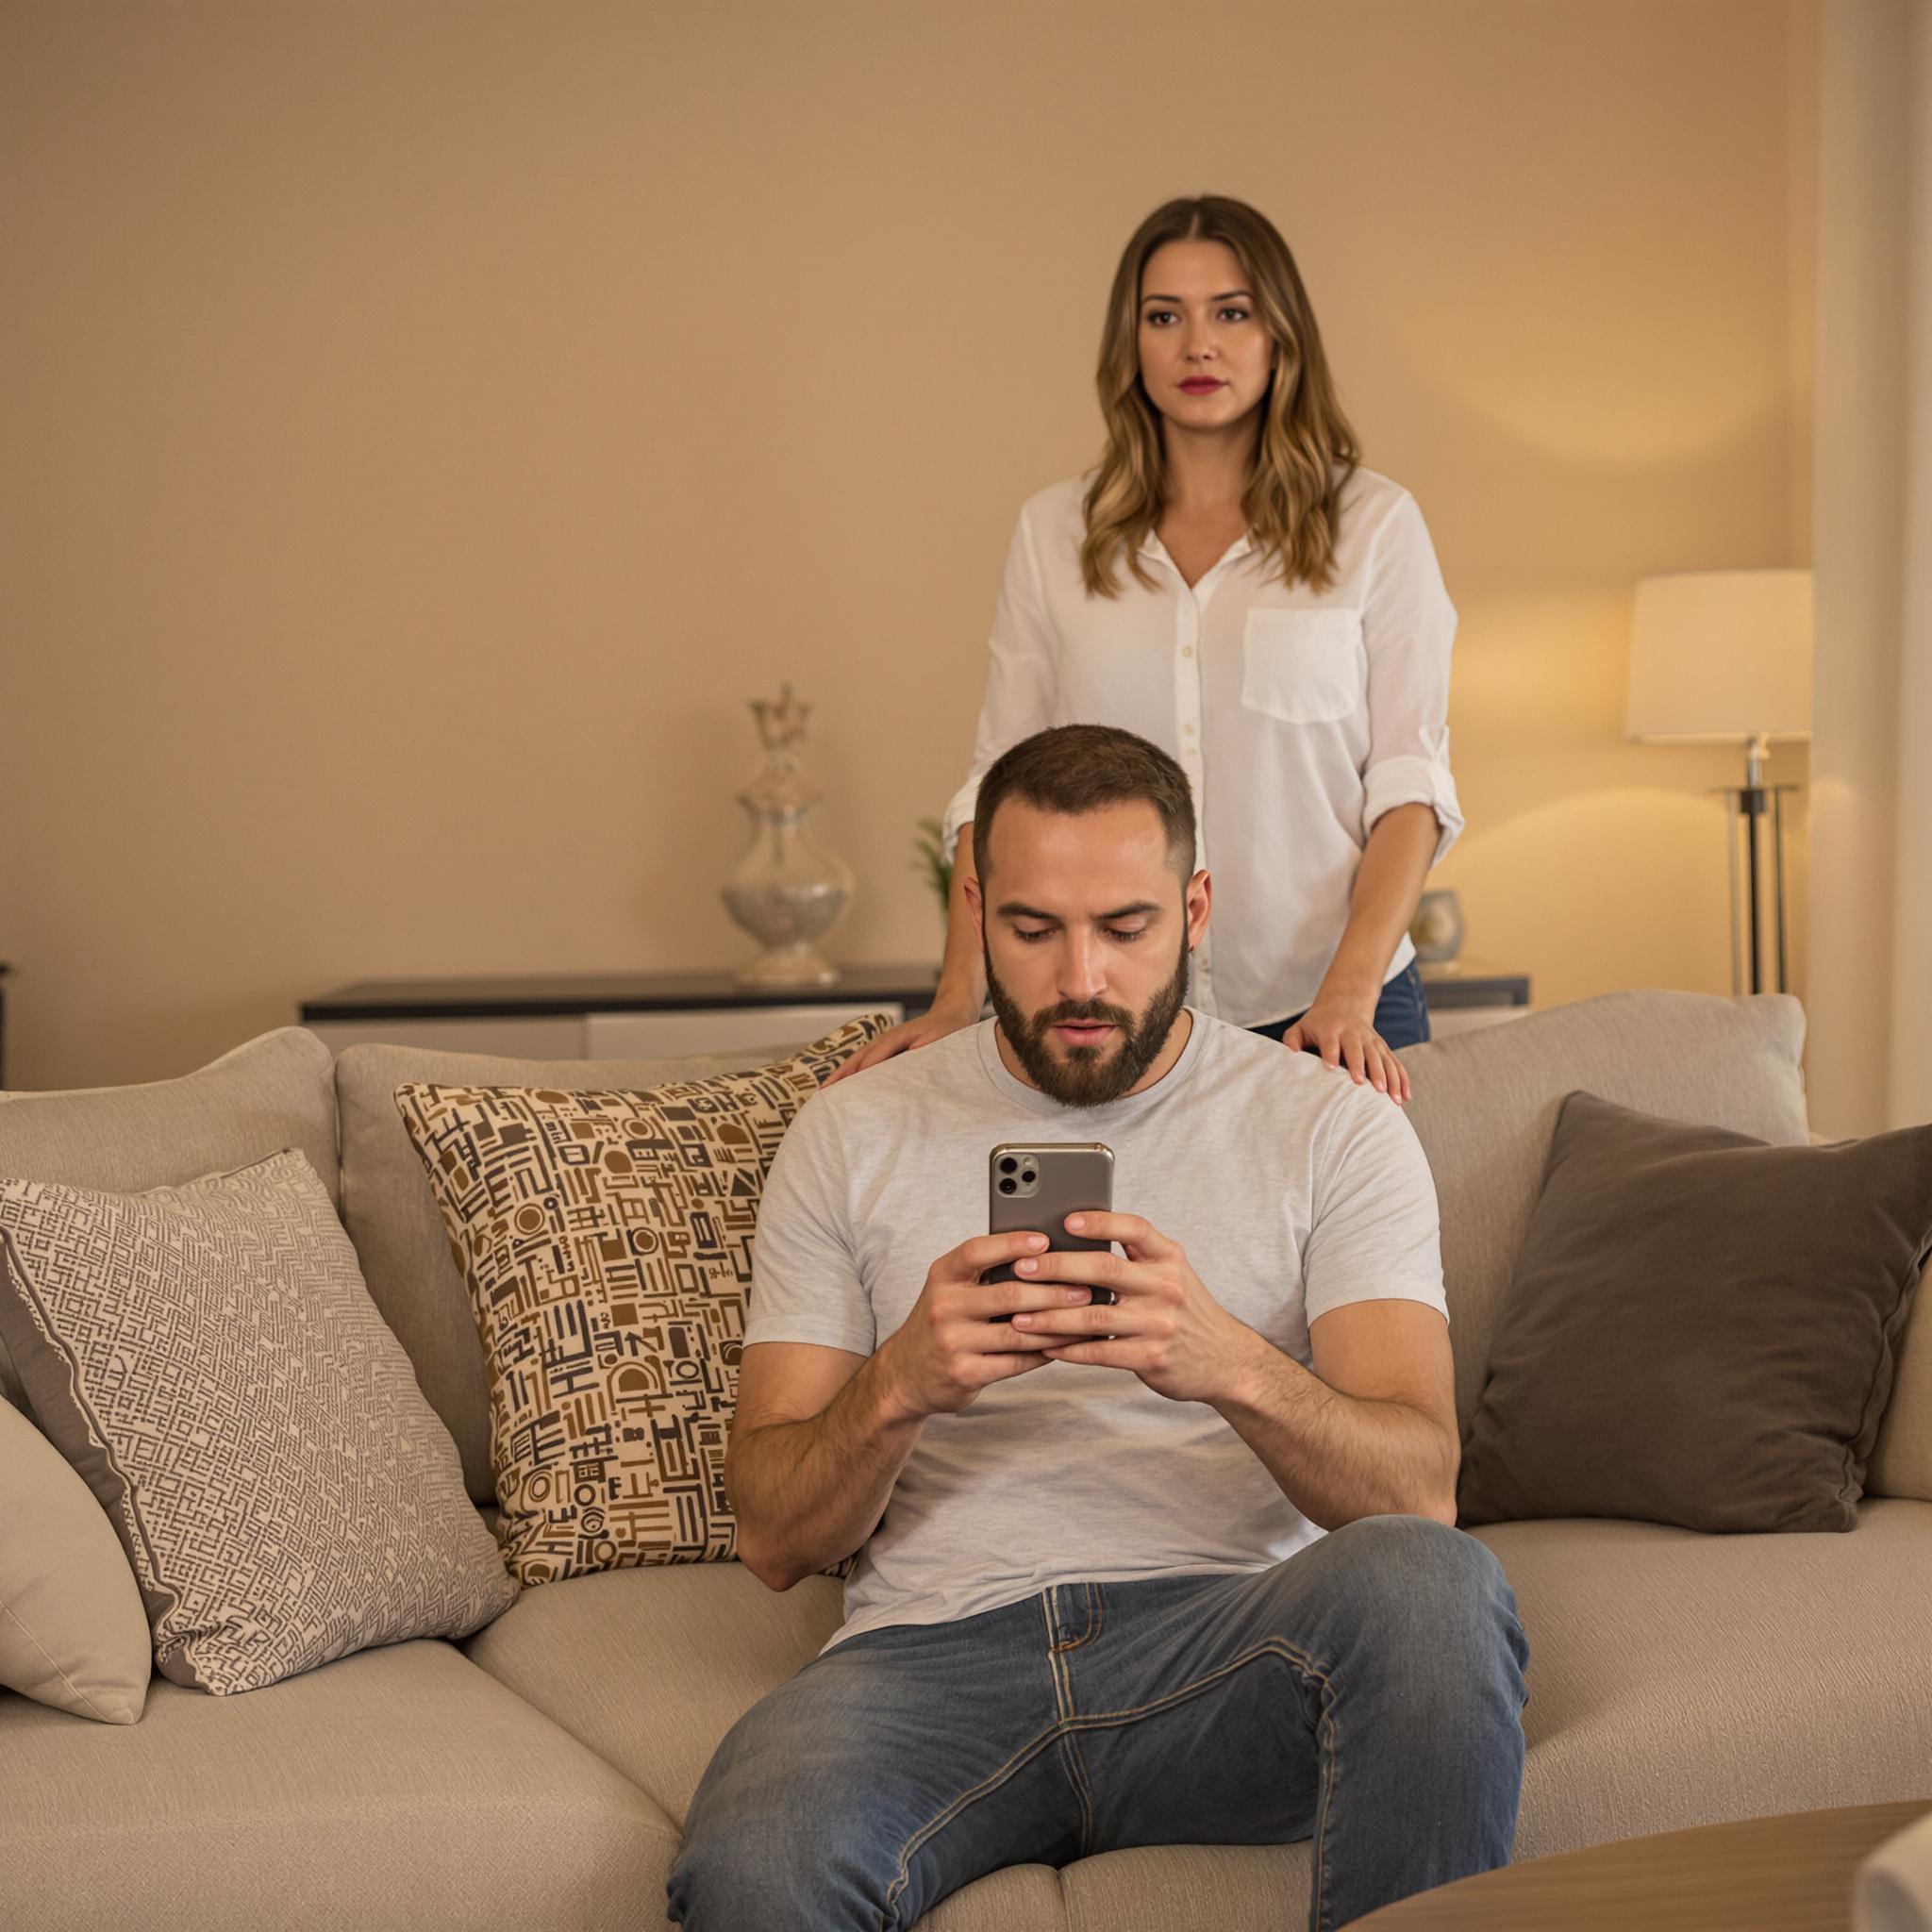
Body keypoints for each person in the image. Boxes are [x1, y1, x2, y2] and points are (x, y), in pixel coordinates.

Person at [668, 725, 1527, 1932]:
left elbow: (1416, 1489)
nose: (1081, 978)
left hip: (1226, 1652)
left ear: (1194, 909)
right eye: (1031, 928)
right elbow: (770, 1531)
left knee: (1437, 1587)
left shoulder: (1330, 1125)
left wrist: (1227, 1362)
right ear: (973, 909)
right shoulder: (852, 1132)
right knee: (756, 1859)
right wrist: (901, 1381)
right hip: (930, 1660)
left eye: (1124, 927)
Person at [829, 194, 1461, 1107]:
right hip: (1118, 1016)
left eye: (1231, 313)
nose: (1196, 345)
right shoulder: (1054, 534)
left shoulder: (1376, 527)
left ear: (1282, 336)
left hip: (1337, 1010)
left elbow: (1410, 788)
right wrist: (956, 995)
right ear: (1131, 347)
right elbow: (994, 787)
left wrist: (1347, 998)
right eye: (1163, 316)